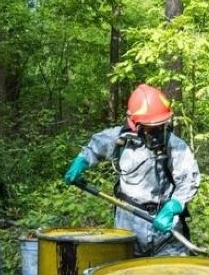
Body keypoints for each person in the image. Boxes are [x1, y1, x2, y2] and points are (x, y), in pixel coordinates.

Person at [63, 83, 201, 257]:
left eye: (160, 126)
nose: (156, 132)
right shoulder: (119, 139)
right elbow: (95, 146)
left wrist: (174, 206)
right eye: (150, 127)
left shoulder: (175, 145)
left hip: (165, 228)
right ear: (134, 123)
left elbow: (189, 180)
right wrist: (81, 161)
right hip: (128, 224)